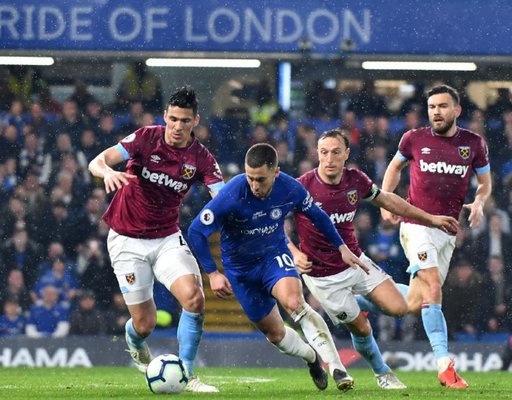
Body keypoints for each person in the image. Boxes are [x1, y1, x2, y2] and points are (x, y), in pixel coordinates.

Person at [188, 143, 370, 392]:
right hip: (240, 271)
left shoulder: (290, 188)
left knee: (296, 304)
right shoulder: (232, 194)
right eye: (250, 178)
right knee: (275, 334)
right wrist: (212, 272)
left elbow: (318, 216)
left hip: (273, 257)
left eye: (260, 179)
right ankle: (312, 358)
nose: (254, 185)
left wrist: (341, 247)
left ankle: (337, 367)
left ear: (276, 172)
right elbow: (196, 230)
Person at [289, 129, 460, 389]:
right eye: (324, 152)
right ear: (317, 154)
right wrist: (294, 252)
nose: (329, 158)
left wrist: (431, 218)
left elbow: (389, 202)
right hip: (322, 276)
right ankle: (383, 373)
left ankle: (359, 300)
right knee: (361, 327)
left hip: (357, 262)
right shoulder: (302, 187)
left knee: (401, 308)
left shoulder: (355, 179)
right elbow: (275, 220)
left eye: (336, 152)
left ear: (347, 154)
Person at [88, 86, 224, 393]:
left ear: (195, 121)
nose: (177, 126)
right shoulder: (145, 138)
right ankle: (134, 342)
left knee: (194, 298)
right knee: (145, 324)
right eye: (173, 119)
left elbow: (221, 195)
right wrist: (107, 172)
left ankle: (188, 375)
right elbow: (97, 161)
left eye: (185, 121)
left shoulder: (201, 158)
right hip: (126, 240)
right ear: (165, 116)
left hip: (166, 238)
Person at [380, 85, 492, 389]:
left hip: (447, 232)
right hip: (416, 224)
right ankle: (445, 366)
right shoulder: (413, 138)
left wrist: (479, 203)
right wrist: (386, 199)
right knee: (432, 286)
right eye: (431, 107)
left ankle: (366, 295)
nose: (436, 112)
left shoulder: (473, 143)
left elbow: (485, 183)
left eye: (442, 106)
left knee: (416, 302)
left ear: (456, 110)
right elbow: (394, 167)